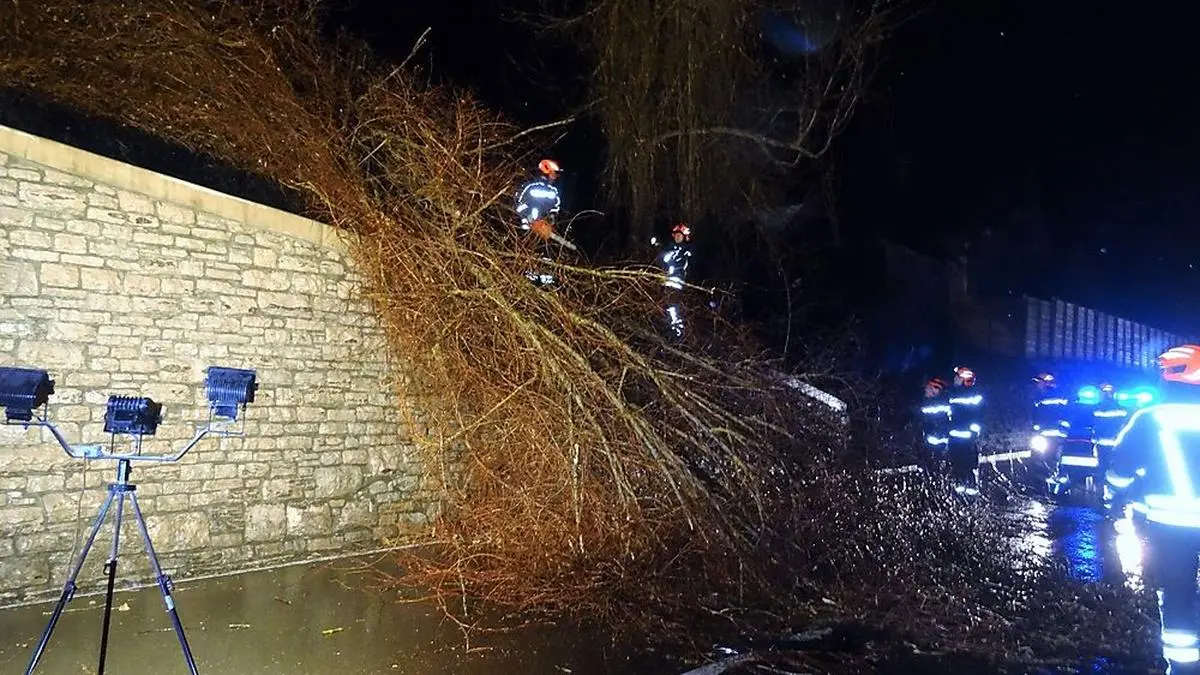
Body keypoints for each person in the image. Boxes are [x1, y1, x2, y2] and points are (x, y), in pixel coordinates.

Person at [1107, 345, 1200, 671]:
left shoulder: (1150, 417)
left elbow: (1121, 467)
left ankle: (1185, 667)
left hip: (1171, 527)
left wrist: (1115, 492)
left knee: (1178, 596)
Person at [515, 159, 564, 288]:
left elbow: (556, 210)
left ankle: (546, 279)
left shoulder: (553, 192)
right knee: (528, 254)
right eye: (554, 173)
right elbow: (518, 206)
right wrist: (529, 219)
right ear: (546, 172)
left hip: (544, 231)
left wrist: (551, 221)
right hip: (527, 229)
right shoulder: (529, 187)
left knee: (547, 253)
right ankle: (528, 276)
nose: (555, 177)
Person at [946, 366, 984, 495]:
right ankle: (961, 488)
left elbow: (976, 416)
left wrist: (973, 432)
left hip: (965, 436)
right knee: (958, 463)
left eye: (958, 377)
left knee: (966, 463)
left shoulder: (970, 394)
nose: (955, 379)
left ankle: (969, 489)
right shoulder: (955, 393)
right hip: (957, 435)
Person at [655, 223, 694, 340]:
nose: (677, 237)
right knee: (665, 306)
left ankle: (677, 331)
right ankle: (667, 329)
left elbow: (688, 266)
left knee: (674, 307)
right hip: (666, 281)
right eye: (676, 235)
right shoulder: (668, 249)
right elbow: (662, 261)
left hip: (677, 283)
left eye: (680, 236)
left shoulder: (686, 252)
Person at [919, 376, 951, 462]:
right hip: (929, 445)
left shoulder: (939, 404)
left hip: (936, 444)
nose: (936, 391)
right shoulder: (924, 403)